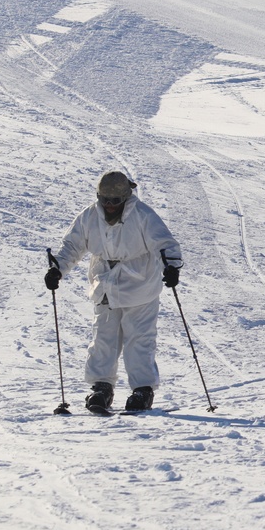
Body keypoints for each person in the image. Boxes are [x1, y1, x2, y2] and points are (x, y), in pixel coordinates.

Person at [44, 170, 182, 413]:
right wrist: (58, 270)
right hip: (105, 284)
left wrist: (171, 266)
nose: (108, 206)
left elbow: (165, 244)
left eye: (114, 201)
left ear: (125, 198)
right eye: (104, 199)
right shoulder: (89, 215)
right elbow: (72, 246)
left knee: (139, 339)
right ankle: (102, 388)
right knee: (103, 338)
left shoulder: (142, 215)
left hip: (140, 286)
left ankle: (143, 390)